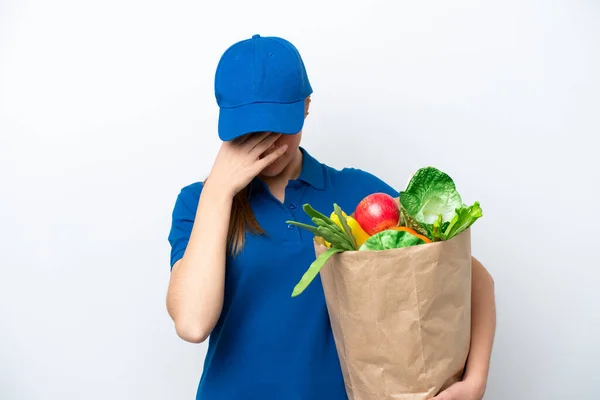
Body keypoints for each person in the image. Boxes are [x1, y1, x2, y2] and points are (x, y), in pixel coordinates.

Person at [166, 34, 496, 400]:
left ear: (307, 106)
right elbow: (192, 323)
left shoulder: (357, 194)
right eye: (248, 130)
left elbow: (468, 274)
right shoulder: (198, 203)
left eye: (278, 125)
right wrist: (219, 191)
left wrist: (474, 382)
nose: (266, 142)